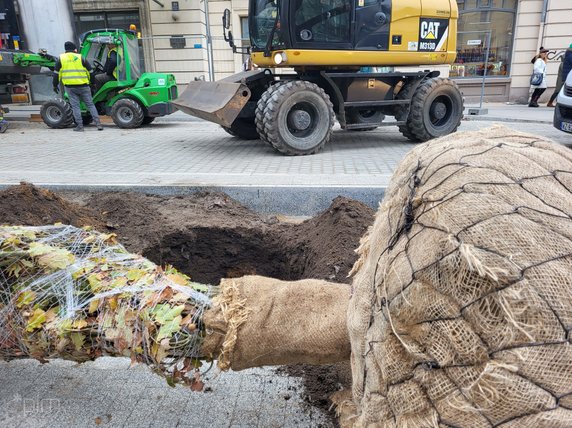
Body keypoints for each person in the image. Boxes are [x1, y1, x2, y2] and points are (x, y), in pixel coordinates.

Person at [53, 41, 103, 132]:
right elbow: (91, 72)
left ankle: (80, 126)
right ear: (74, 49)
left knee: (75, 106)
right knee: (90, 105)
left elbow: (56, 74)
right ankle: (98, 124)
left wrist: (54, 85)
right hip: (84, 86)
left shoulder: (61, 58)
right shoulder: (81, 57)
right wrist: (93, 83)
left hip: (70, 87)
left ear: (66, 50)